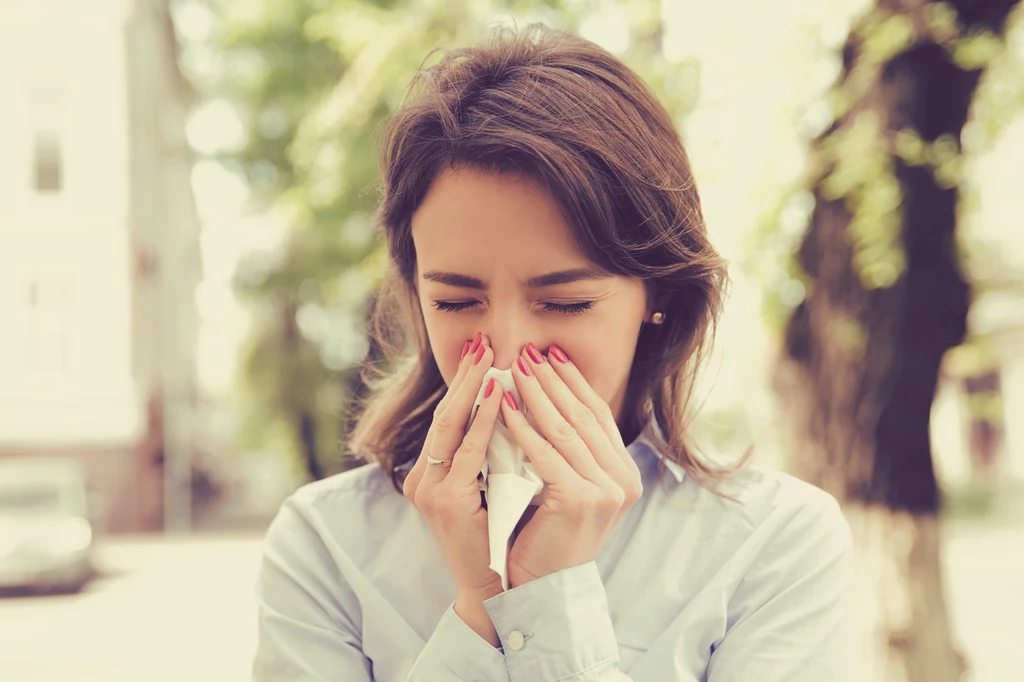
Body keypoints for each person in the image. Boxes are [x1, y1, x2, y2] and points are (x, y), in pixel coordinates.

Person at [251, 21, 855, 682]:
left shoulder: (775, 543)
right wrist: (482, 604)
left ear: (660, 298)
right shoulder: (327, 543)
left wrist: (552, 603)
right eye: (455, 302)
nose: (507, 355)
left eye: (565, 303)